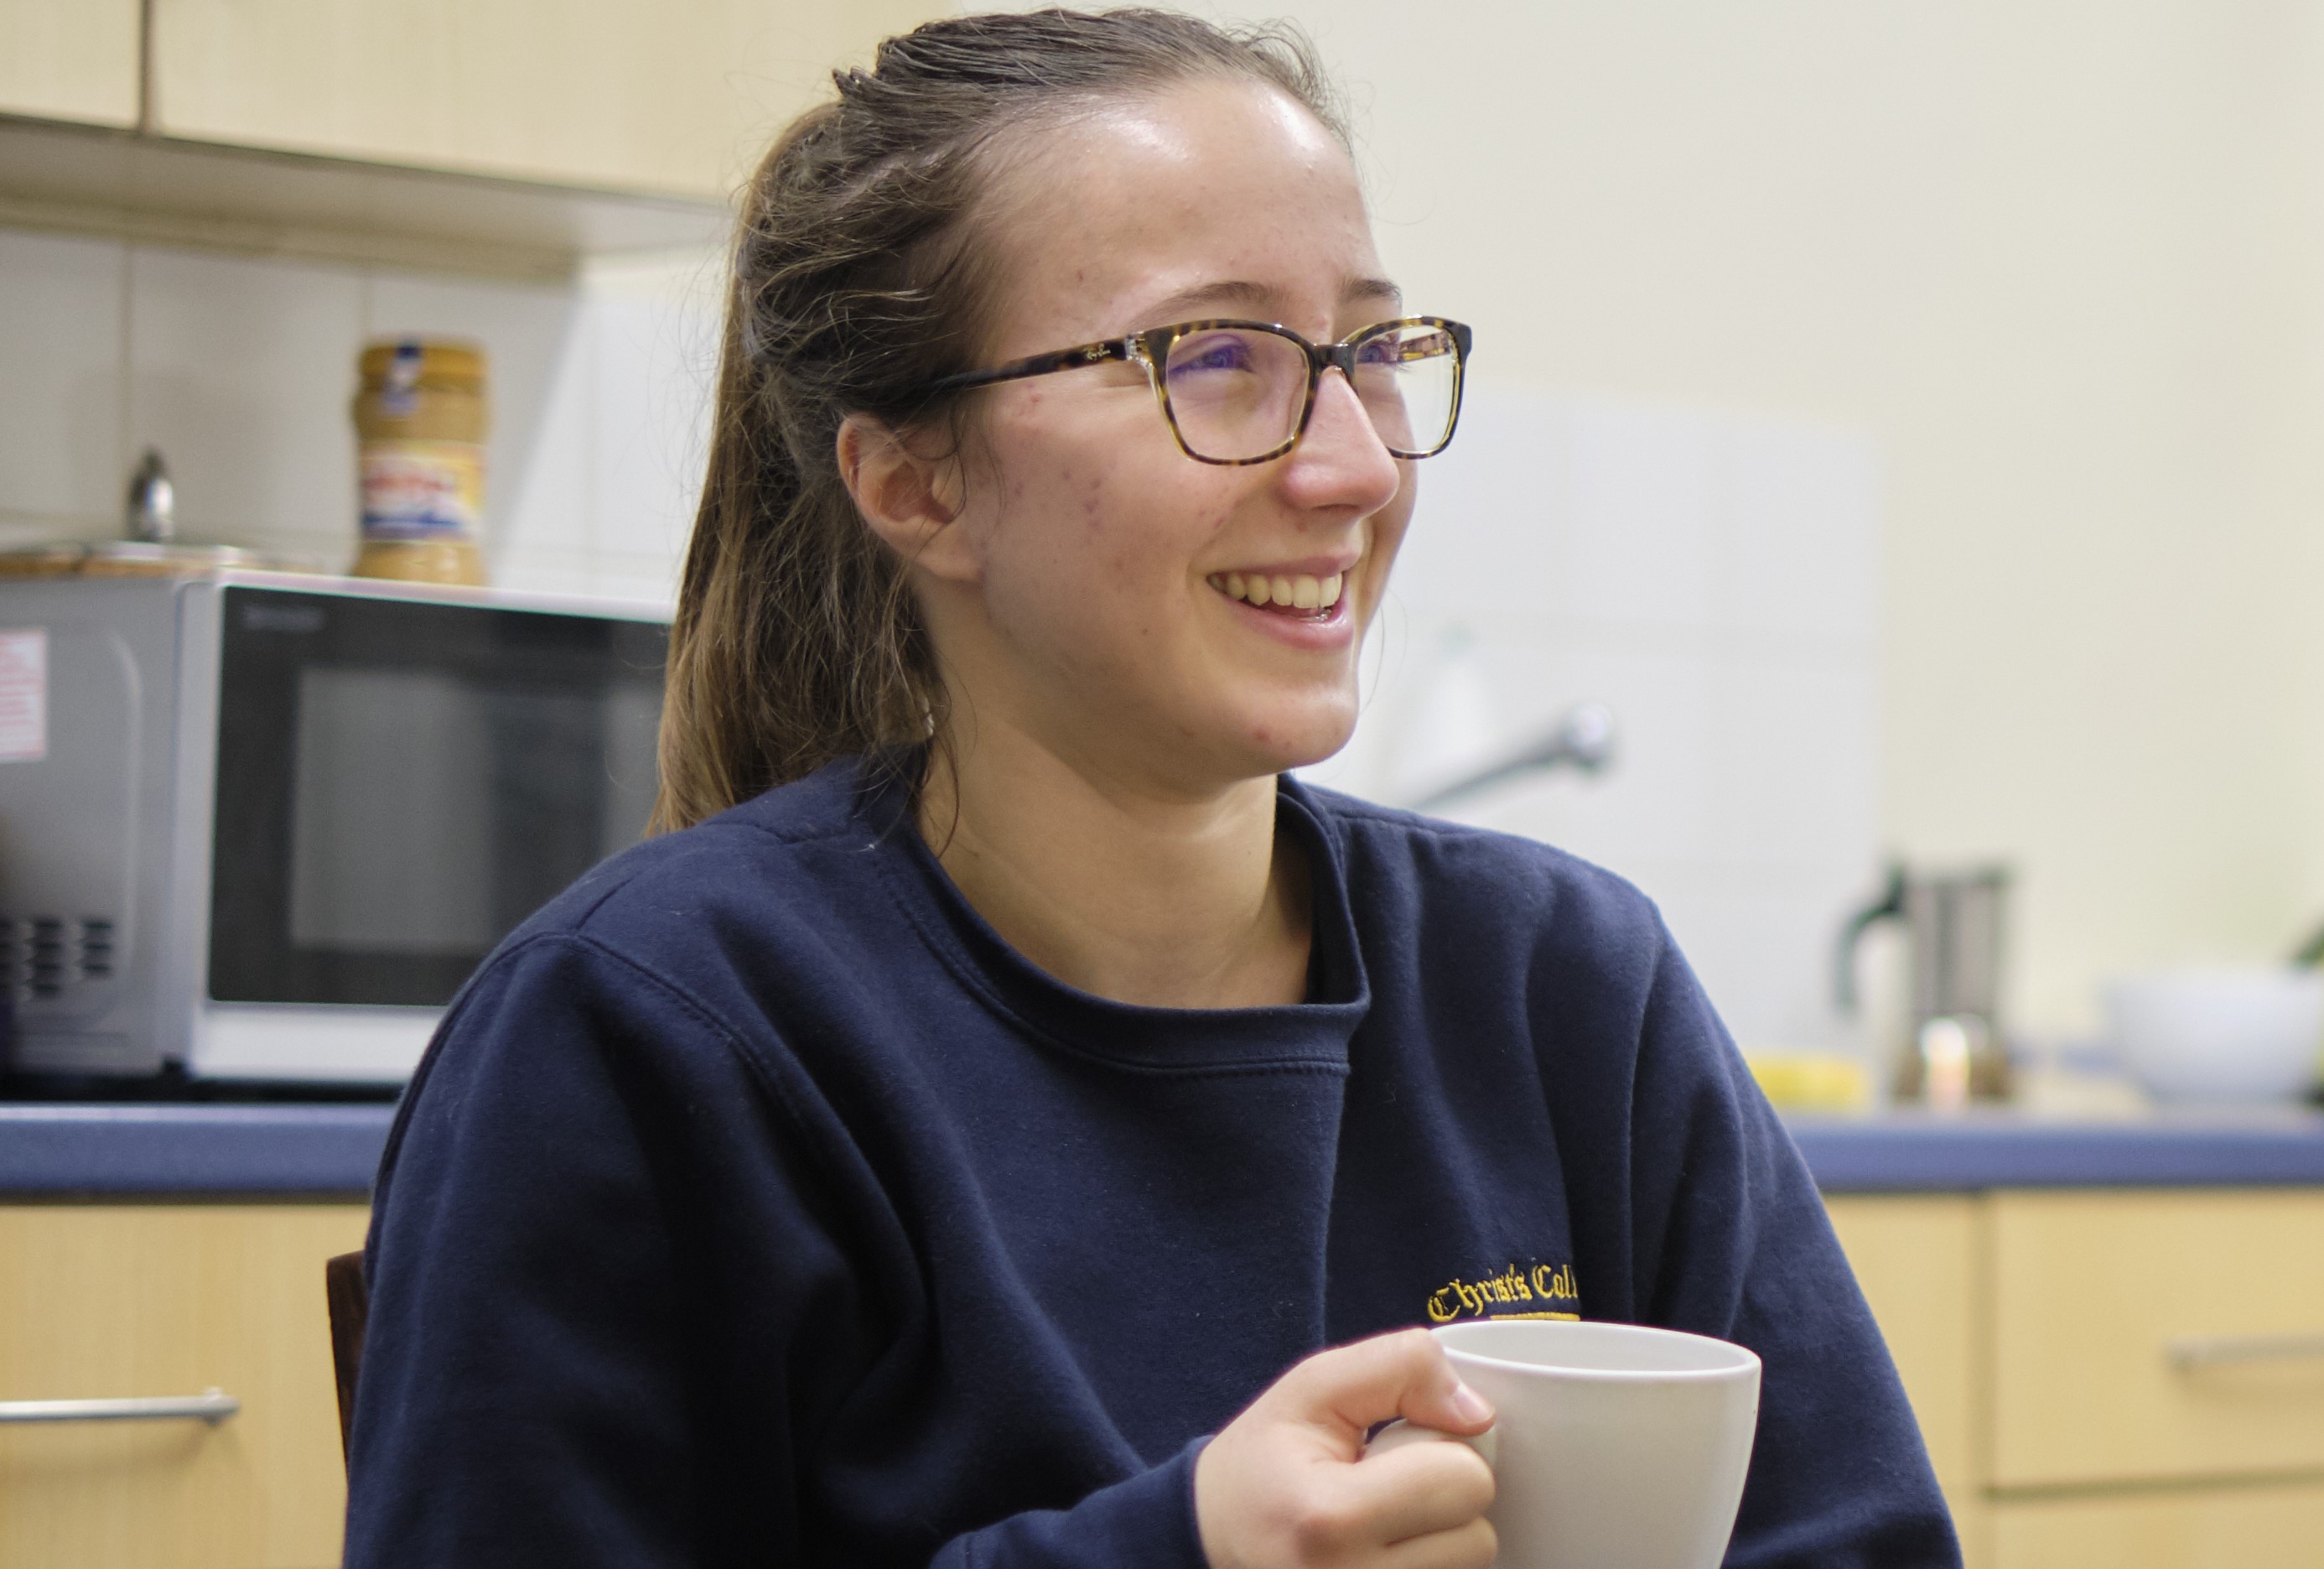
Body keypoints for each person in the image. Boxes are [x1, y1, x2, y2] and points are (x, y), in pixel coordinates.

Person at [344, 12, 1959, 1566]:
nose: (1350, 467)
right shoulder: (645, 1037)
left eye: (1371, 352)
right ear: (914, 480)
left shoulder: (1562, 990)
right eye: (1217, 360)